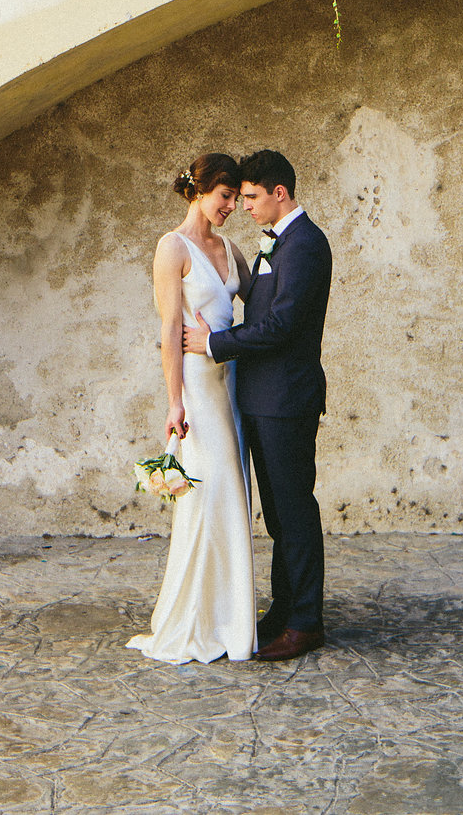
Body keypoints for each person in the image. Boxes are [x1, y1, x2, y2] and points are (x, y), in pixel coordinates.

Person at [184, 148, 333, 662]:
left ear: (279, 193)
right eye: (237, 197)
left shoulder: (306, 245)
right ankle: (283, 608)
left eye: (250, 197)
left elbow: (283, 325)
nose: (244, 206)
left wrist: (214, 344)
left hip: (287, 398)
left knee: (294, 511)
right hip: (262, 398)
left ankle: (305, 621)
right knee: (277, 514)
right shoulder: (276, 244)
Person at [127, 153, 257, 664]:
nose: (231, 207)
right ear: (199, 192)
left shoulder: (230, 248)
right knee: (207, 493)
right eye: (225, 196)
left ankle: (232, 615)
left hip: (233, 383)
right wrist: (174, 401)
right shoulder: (171, 248)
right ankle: (200, 616)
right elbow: (167, 331)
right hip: (199, 391)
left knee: (233, 491)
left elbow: (259, 302)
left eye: (235, 197)